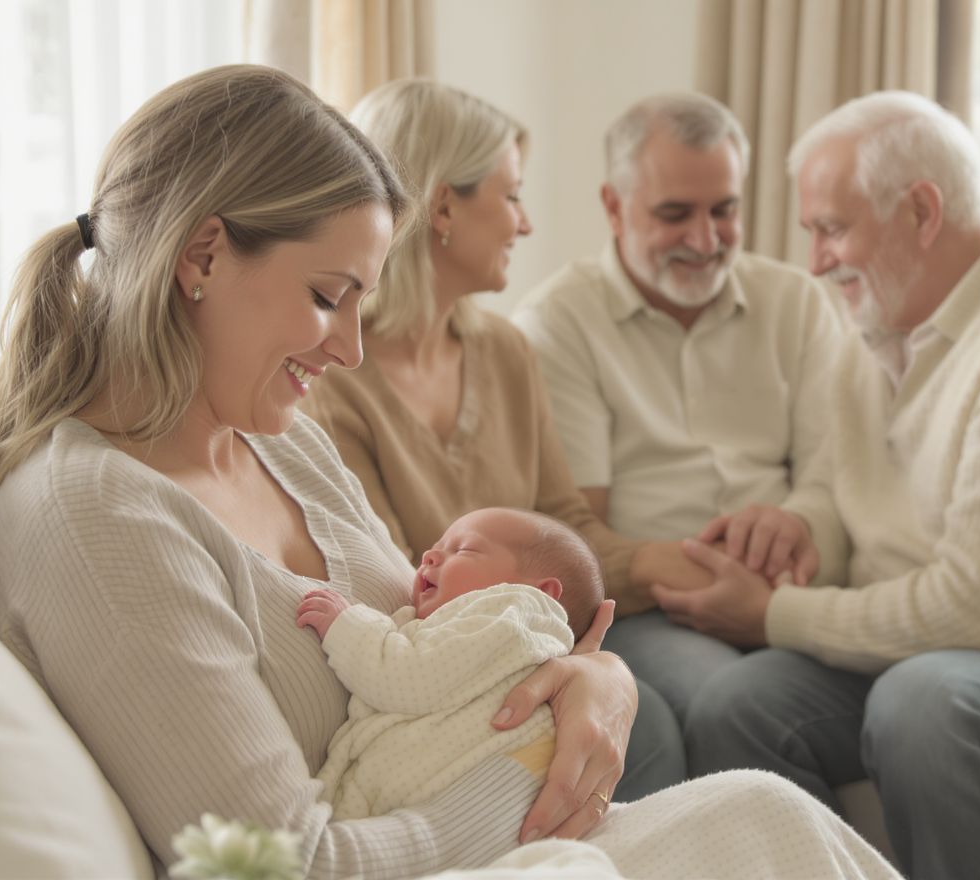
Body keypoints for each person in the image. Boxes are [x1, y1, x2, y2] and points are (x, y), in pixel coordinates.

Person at [0, 64, 907, 880]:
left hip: (497, 844)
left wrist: (596, 679)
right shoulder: (96, 521)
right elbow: (284, 863)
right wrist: (529, 782)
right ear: (203, 254)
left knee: (763, 810)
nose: (351, 347)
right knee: (764, 821)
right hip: (470, 852)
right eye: (329, 297)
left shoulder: (272, 437)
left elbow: (442, 634)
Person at [664, 91, 980, 880]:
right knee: (735, 705)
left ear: (922, 211)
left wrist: (774, 612)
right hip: (924, 645)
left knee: (926, 705)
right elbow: (845, 493)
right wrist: (799, 527)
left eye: (832, 229)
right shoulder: (878, 325)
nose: (814, 261)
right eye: (810, 231)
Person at [299, 79, 725, 800]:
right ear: (441, 208)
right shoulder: (332, 376)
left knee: (680, 705)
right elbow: (392, 580)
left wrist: (688, 564)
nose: (525, 225)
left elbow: (567, 526)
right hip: (429, 668)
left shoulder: (504, 351)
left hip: (530, 643)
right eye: (512, 195)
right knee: (647, 726)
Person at [512, 92, 848, 735]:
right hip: (650, 613)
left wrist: (798, 522)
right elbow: (581, 537)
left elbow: (835, 477)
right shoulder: (558, 325)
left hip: (791, 590)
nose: (705, 239)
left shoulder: (797, 304)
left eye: (725, 210)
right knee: (743, 703)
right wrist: (710, 573)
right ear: (613, 206)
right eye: (675, 214)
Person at [296, 507, 604, 820]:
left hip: (446, 793)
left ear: (542, 593)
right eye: (436, 546)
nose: (429, 555)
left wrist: (346, 627)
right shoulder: (465, 631)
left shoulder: (515, 615)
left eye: (464, 548)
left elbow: (409, 679)